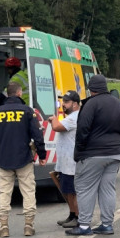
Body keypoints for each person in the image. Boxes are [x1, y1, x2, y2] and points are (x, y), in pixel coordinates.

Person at [66, 74, 120, 236]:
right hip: (115, 153)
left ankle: (84, 226)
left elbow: (82, 131)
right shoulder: (119, 105)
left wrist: (80, 151)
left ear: (91, 89)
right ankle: (107, 224)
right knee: (107, 189)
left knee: (84, 189)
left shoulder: (90, 105)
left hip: (92, 154)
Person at [0, 81, 47, 237]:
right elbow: (38, 136)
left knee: (4, 192)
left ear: (7, 94)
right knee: (28, 191)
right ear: (19, 93)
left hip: (4, 159)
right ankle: (28, 225)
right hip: (24, 158)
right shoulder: (27, 111)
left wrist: (3, 142)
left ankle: (3, 227)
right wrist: (42, 155)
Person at [50, 90, 82, 228]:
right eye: (63, 101)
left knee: (72, 192)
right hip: (65, 162)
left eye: (67, 102)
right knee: (67, 190)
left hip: (71, 163)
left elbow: (56, 127)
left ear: (75, 104)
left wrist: (53, 119)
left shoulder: (75, 117)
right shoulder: (71, 116)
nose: (63, 105)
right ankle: (72, 214)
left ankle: (78, 217)